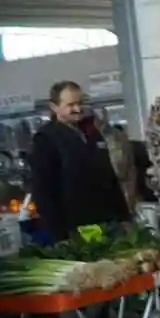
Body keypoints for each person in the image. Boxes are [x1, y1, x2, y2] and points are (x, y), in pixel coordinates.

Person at [28, 81, 130, 244]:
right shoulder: (46, 139)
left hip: (109, 221)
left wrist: (124, 216)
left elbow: (110, 176)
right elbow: (43, 191)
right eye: (70, 105)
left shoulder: (92, 133)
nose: (77, 109)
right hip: (77, 227)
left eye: (80, 103)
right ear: (54, 107)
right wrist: (60, 235)